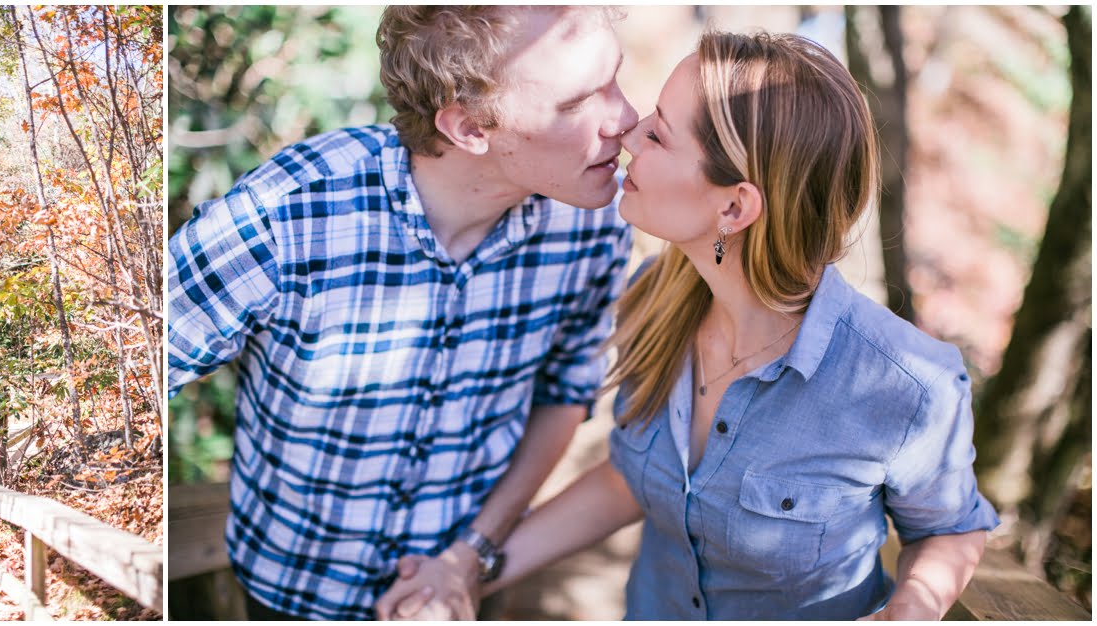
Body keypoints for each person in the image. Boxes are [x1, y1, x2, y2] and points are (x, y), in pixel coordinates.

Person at [380, 31, 1000, 620]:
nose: (630, 133)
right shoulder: (657, 301)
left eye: (660, 135)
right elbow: (632, 480)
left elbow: (951, 527)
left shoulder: (908, 385)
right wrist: (465, 569)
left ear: (734, 206)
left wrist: (912, 608)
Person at [167, 6, 638, 620]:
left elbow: (564, 394)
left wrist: (470, 556)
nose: (626, 118)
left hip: (469, 589)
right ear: (469, 128)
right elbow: (131, 361)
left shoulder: (597, 223)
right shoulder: (288, 214)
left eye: (615, 79)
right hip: (292, 597)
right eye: (577, 103)